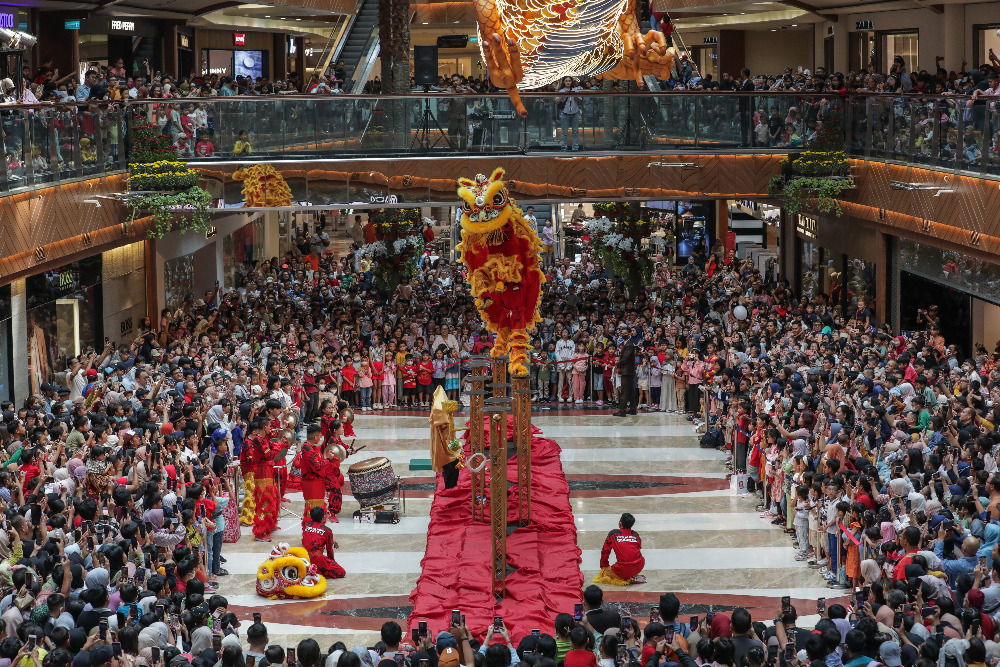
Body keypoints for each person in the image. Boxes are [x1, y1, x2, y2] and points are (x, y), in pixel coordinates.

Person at [596, 512, 645, 584]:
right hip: (639, 566)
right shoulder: (635, 534)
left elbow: (605, 551)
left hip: (623, 569)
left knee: (604, 573)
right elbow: (637, 550)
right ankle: (631, 575)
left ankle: (626, 578)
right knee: (630, 567)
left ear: (620, 523)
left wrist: (604, 566)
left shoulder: (613, 533)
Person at [302, 506, 345, 579]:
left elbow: (314, 535)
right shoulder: (327, 530)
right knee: (341, 572)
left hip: (304, 557)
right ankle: (318, 571)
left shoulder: (307, 525)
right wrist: (332, 563)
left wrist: (331, 540)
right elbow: (329, 551)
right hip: (317, 558)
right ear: (324, 517)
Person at [557, 77, 583, 151]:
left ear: (572, 82)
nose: (568, 82)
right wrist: (563, 95)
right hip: (564, 113)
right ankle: (563, 147)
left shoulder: (575, 90)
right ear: (564, 82)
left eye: (569, 81)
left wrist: (575, 96)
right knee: (564, 132)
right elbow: (556, 101)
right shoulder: (561, 91)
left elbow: (580, 100)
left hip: (575, 113)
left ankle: (575, 147)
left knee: (575, 132)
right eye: (566, 81)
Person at [614, 335, 636, 417]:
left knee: (624, 391)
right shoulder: (628, 344)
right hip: (628, 371)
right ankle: (633, 408)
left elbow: (625, 357)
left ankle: (622, 410)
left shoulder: (629, 344)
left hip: (626, 371)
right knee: (630, 391)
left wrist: (618, 364)